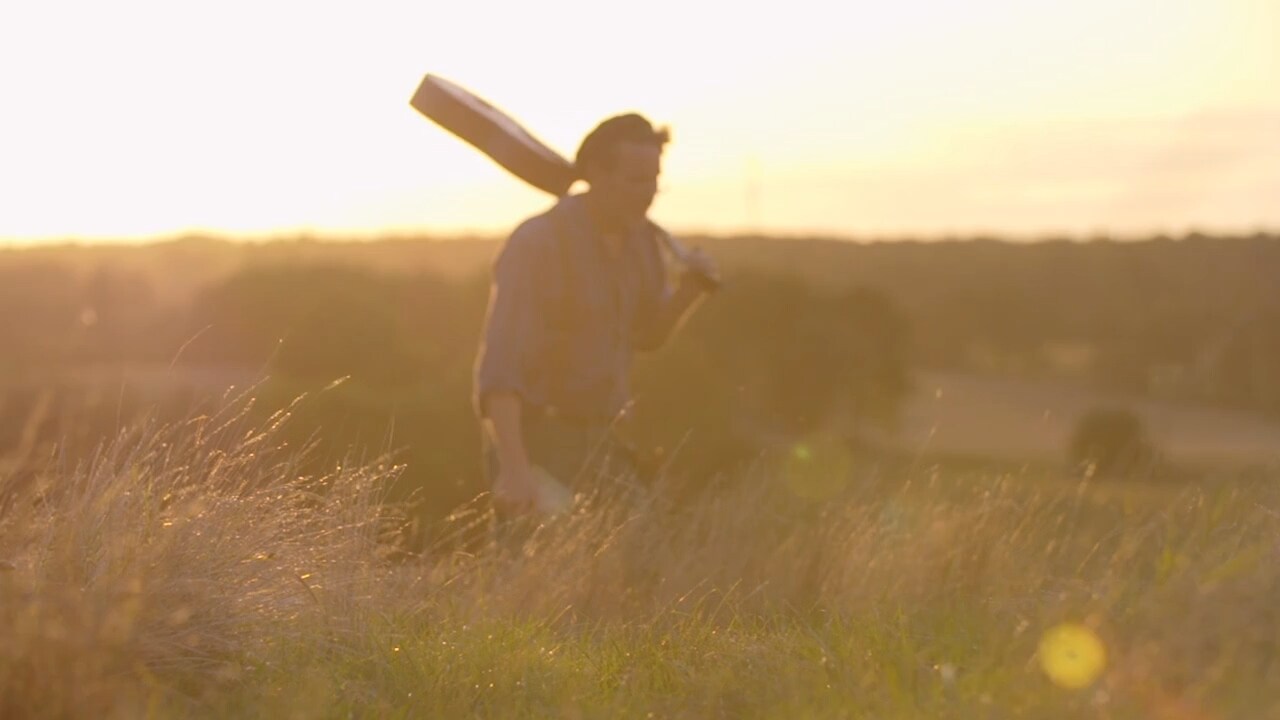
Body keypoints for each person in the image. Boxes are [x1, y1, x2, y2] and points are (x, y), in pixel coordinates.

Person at [472, 112, 719, 532]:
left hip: (602, 440)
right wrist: (515, 470)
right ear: (595, 174)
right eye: (635, 180)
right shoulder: (537, 243)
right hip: (537, 441)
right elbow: (501, 368)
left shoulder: (643, 243)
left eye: (655, 180)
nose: (649, 194)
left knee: (642, 562)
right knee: (534, 581)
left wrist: (689, 291)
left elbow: (646, 336)